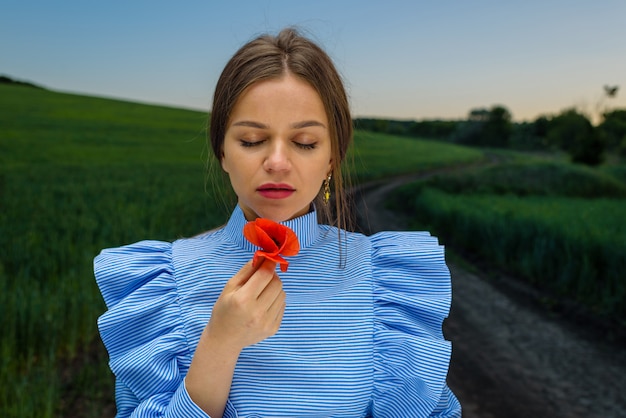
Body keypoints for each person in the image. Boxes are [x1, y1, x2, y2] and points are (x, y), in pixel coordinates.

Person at [95, 27, 461, 417]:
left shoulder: (385, 280)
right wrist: (220, 342)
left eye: (305, 142)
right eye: (252, 140)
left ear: (332, 158)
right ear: (222, 151)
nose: (277, 162)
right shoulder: (162, 283)